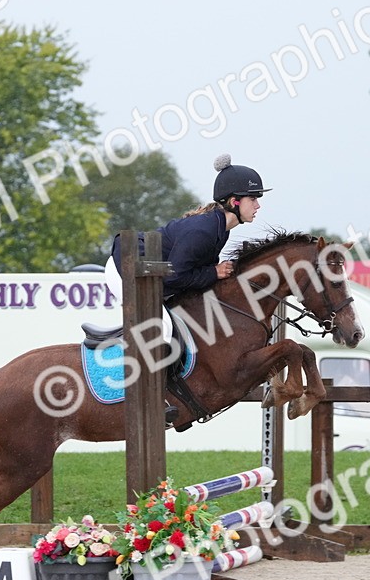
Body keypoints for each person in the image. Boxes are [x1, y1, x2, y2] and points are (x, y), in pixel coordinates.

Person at [104, 154, 269, 424]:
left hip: (153, 271)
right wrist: (213, 272)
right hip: (127, 270)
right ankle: (149, 399)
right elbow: (175, 278)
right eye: (253, 199)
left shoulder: (220, 228)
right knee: (163, 328)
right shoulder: (204, 231)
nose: (258, 205)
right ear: (234, 201)